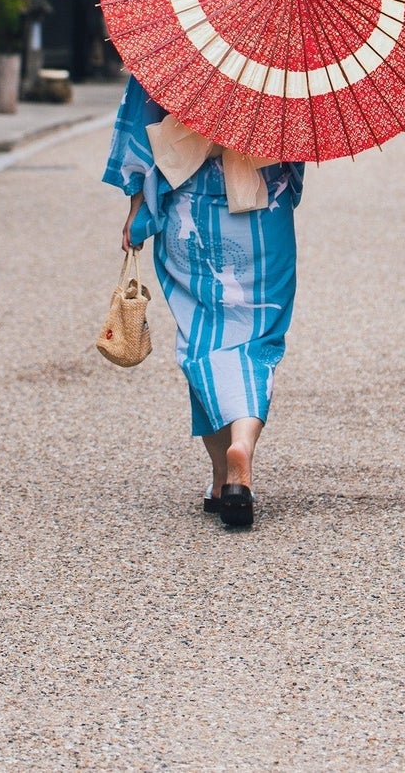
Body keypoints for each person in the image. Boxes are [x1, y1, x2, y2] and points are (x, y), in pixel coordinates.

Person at [102, 77, 304, 530]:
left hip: (189, 209)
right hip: (259, 206)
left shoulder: (174, 47)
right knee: (257, 339)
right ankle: (242, 449)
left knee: (204, 339)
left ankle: (219, 477)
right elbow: (303, 135)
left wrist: (138, 207)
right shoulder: (286, 51)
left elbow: (138, 132)